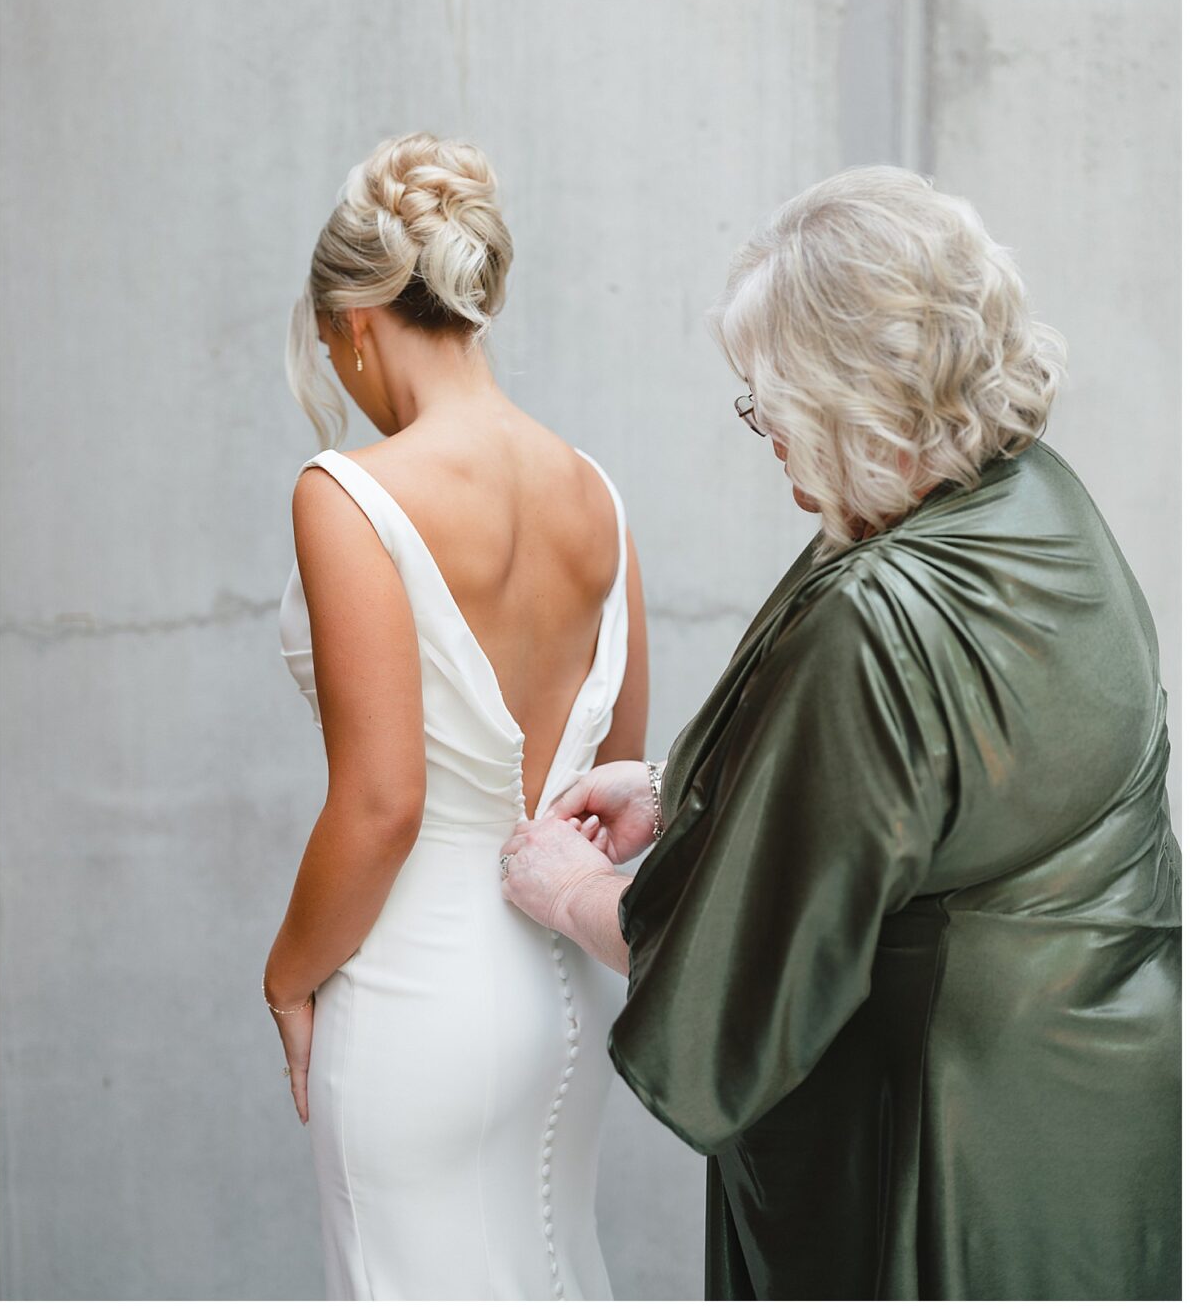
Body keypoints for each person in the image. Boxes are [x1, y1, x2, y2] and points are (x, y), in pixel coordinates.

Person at [500, 166, 1181, 1301]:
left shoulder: (879, 611)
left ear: (852, 395)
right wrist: (690, 787)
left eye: (769, 400)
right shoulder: (1040, 510)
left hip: (939, 1147)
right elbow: (963, 785)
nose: (763, 434)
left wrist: (571, 891)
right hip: (1099, 1110)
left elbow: (747, 975)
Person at [263, 133, 648, 1300]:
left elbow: (383, 803)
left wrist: (286, 977)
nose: (343, 377)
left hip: (413, 995)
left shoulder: (349, 492)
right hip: (564, 986)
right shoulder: (595, 490)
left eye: (334, 347)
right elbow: (616, 773)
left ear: (359, 320)